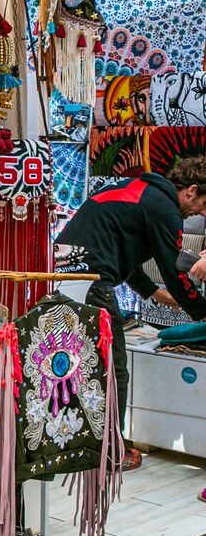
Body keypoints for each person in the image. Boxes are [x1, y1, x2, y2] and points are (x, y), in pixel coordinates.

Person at [55, 157, 206, 469]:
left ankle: (71, 439)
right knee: (113, 366)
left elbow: (124, 251)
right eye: (204, 204)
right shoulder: (164, 208)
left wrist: (154, 293)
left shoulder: (138, 189)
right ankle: (112, 450)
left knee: (77, 364)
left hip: (66, 273)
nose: (201, 213)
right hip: (92, 279)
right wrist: (202, 312)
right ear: (191, 190)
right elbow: (175, 270)